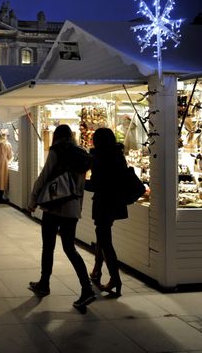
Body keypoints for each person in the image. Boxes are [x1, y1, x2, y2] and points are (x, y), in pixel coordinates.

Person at [27, 124, 95, 310]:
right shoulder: (81, 153)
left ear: (57, 136)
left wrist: (33, 199)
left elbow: (44, 176)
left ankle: (44, 283)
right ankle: (87, 288)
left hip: (54, 207)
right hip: (72, 209)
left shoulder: (57, 150)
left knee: (48, 246)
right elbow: (80, 186)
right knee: (70, 248)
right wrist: (77, 209)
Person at [85, 127, 128, 296]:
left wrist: (79, 184)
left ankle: (115, 279)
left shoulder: (100, 158)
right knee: (101, 236)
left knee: (105, 240)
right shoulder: (118, 155)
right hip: (115, 202)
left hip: (104, 202)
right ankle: (97, 271)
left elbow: (96, 184)